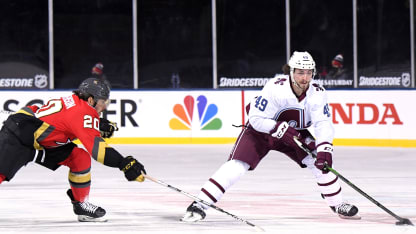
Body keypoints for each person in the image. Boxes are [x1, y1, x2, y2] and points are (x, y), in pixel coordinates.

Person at [181, 51, 360, 222]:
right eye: (300, 73)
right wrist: (279, 129)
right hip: (261, 132)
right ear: (291, 72)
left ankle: (337, 205)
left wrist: (325, 148)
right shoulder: (275, 88)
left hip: (294, 134)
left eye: (308, 73)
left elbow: (323, 123)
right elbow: (255, 118)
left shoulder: (317, 93)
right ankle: (200, 204)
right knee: (237, 165)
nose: (305, 78)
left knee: (320, 162)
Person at [0, 77, 146, 222]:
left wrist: (97, 124)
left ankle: (81, 204)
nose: (105, 107)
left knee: (79, 158)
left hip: (39, 138)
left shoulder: (77, 103)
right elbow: (99, 151)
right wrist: (124, 163)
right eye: (103, 102)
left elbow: (67, 120)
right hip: (18, 136)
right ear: (90, 100)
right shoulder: (84, 112)